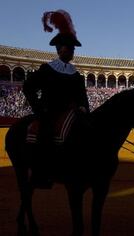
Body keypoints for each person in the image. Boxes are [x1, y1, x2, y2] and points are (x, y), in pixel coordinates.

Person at [23, 10, 89, 188]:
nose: (73, 50)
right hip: (50, 112)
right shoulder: (47, 69)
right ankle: (42, 173)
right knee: (46, 132)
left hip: (71, 113)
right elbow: (28, 87)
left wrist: (83, 107)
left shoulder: (75, 74)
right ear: (61, 49)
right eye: (71, 47)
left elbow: (82, 96)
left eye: (73, 48)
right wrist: (39, 109)